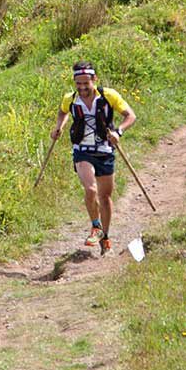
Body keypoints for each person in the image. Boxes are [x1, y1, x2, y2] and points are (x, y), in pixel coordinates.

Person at [51, 62, 136, 254]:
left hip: (105, 150)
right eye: (78, 84)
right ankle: (95, 226)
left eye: (85, 84)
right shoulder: (70, 99)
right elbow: (62, 112)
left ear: (94, 80)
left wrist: (119, 132)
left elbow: (131, 116)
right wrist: (59, 126)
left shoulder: (109, 96)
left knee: (105, 198)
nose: (81, 88)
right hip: (82, 150)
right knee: (90, 190)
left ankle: (105, 237)